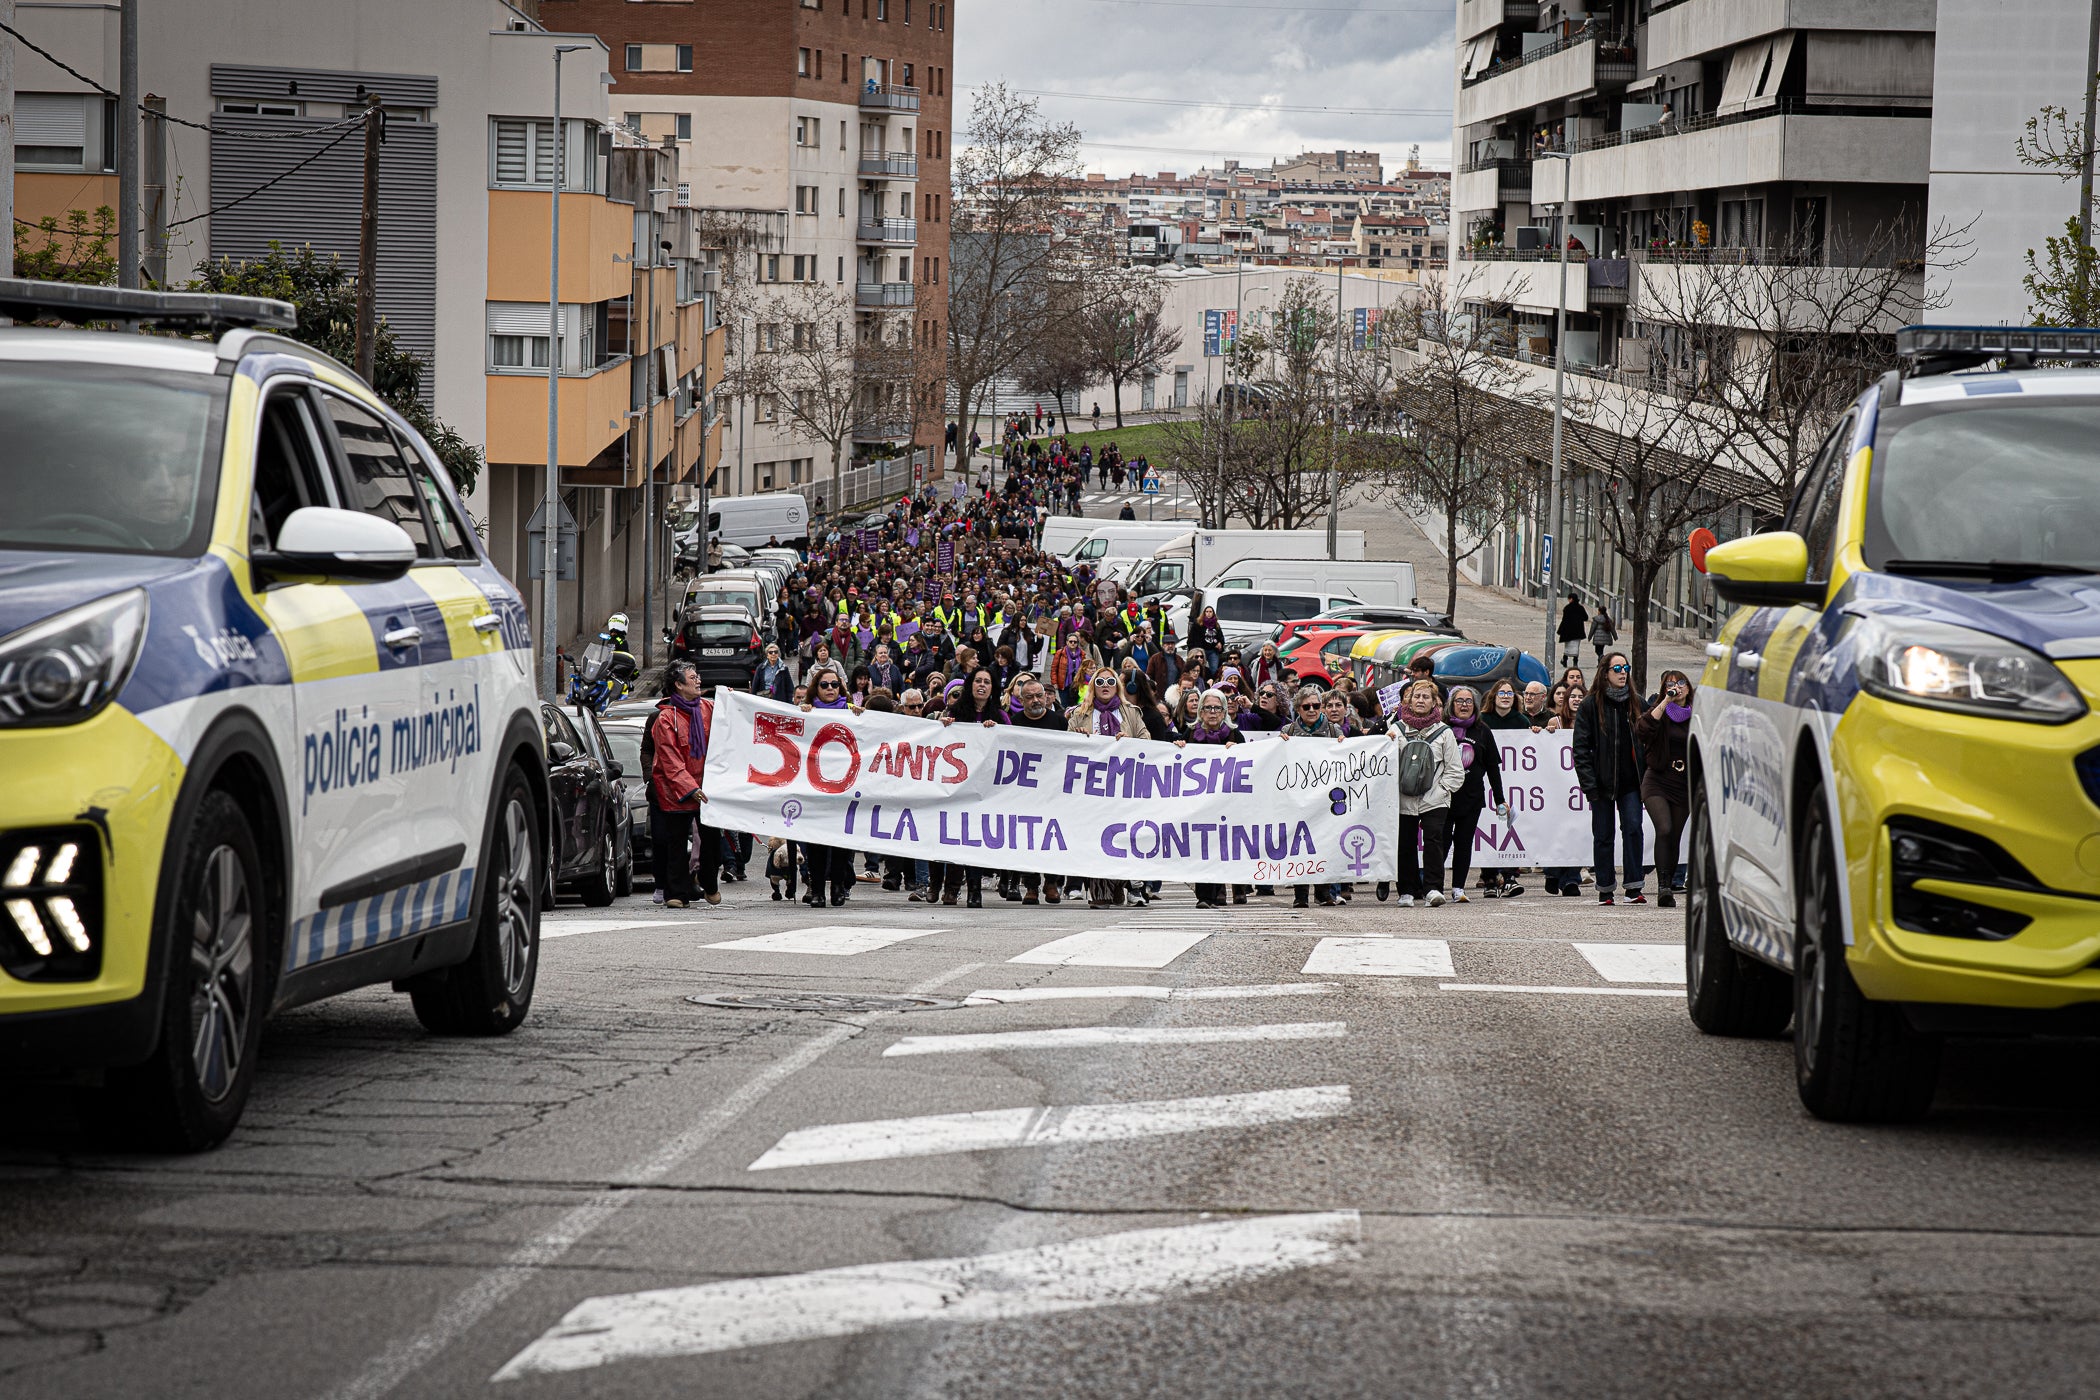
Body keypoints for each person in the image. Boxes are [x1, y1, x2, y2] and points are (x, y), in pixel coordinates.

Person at [1068, 667, 1149, 908]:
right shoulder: (1080, 714)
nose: (1105, 685)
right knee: (1096, 836)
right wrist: (1078, 737)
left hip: (1124, 786)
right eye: (1100, 681)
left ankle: (1120, 885)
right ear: (1093, 686)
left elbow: (1146, 741)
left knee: (1122, 837)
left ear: (1117, 686)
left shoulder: (1131, 713)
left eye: (1110, 681)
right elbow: (1066, 746)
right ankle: (1100, 891)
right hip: (1092, 787)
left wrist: (1130, 742)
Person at [1572, 651, 1645, 906]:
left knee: (1634, 828)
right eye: (1617, 668)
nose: (1623, 672)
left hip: (1630, 783)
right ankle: (1605, 888)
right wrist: (1589, 785)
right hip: (1601, 783)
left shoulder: (1636, 702)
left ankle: (1634, 886)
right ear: (1605, 673)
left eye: (1626, 667)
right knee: (1603, 835)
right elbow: (1580, 749)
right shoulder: (1590, 705)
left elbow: (1650, 735)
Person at [647, 662, 718, 909]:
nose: (698, 680)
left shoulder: (709, 708)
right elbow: (669, 759)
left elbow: (735, 726)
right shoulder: (666, 719)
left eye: (697, 675)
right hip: (676, 791)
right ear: (678, 685)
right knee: (675, 842)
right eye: (692, 677)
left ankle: (709, 881)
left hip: (707, 788)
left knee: (712, 840)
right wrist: (690, 787)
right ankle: (675, 892)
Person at [1389, 678, 1464, 908]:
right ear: (1408, 701)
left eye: (1425, 697)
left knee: (1434, 841)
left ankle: (1433, 888)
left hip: (1435, 799)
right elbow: (1385, 766)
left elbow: (1455, 770)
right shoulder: (1395, 730)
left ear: (1434, 703)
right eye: (1416, 696)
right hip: (1404, 798)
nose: (1420, 700)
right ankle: (1407, 891)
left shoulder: (1444, 733)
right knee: (1405, 843)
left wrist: (1441, 791)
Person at [1175, 689, 1249, 908]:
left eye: (1218, 708)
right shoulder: (1188, 733)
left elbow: (1251, 764)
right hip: (1200, 804)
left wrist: (1238, 752)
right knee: (1203, 847)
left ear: (1225, 710)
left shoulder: (1235, 735)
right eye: (1208, 707)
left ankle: (1221, 891)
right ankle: (1205, 896)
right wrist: (1179, 748)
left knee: (1224, 847)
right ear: (1200, 711)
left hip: (1228, 802)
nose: (1213, 712)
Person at [1279, 688, 1350, 906]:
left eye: (1316, 706)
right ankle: (1300, 895)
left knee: (1324, 842)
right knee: (1300, 846)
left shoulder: (1332, 729)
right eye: (1306, 707)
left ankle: (1323, 892)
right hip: (1299, 797)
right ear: (1298, 709)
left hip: (1325, 796)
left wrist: (1343, 744)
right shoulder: (1288, 730)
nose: (1311, 710)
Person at [797, 666, 861, 906]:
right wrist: (802, 712)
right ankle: (817, 890)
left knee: (840, 842)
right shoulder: (807, 711)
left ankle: (837, 887)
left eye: (834, 684)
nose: (830, 689)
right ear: (816, 688)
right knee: (816, 843)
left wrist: (862, 717)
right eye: (824, 685)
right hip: (815, 786)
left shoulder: (851, 711)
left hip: (844, 785)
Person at [1441, 686, 1510, 905]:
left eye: (1468, 701)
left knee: (1464, 843)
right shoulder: (1442, 729)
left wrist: (1500, 799)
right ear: (1451, 705)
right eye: (1459, 701)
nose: (1464, 705)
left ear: (1475, 706)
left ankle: (1458, 888)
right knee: (1440, 842)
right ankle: (1433, 886)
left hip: (1471, 799)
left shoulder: (1483, 730)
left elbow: (1492, 768)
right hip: (1443, 797)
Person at [1635, 670, 1694, 909]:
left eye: (1681, 683)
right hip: (1658, 779)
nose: (1677, 687)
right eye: (1671, 684)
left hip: (1684, 782)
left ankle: (1669, 882)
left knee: (1675, 835)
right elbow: (1643, 729)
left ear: (1689, 688)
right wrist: (1666, 701)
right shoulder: (1660, 711)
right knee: (1664, 827)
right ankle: (1663, 886)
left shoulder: (1697, 715)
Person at [1009, 678, 1068, 905]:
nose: (1035, 700)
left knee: (1053, 838)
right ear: (1021, 700)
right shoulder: (1013, 723)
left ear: (1046, 696)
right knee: (1029, 839)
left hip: (1054, 791)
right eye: (1029, 697)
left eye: (1039, 695)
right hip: (1025, 792)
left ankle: (1052, 883)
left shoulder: (1059, 722)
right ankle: (1031, 886)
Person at [1479, 680, 1531, 897]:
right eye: (1501, 692)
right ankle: (1490, 877)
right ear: (1493, 696)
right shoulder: (1482, 720)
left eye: (1510, 693)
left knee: (1510, 825)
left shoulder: (1522, 721)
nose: (1506, 696)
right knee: (1486, 825)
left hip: (1515, 780)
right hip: (1487, 780)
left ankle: (1510, 876)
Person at [1557, 590, 1587, 671]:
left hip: (1568, 631)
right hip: (1578, 631)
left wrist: (1560, 630)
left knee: (1567, 647)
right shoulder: (1580, 608)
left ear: (1571, 599)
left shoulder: (1567, 608)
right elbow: (1586, 617)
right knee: (1576, 647)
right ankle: (1575, 662)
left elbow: (1564, 620)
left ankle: (1565, 660)